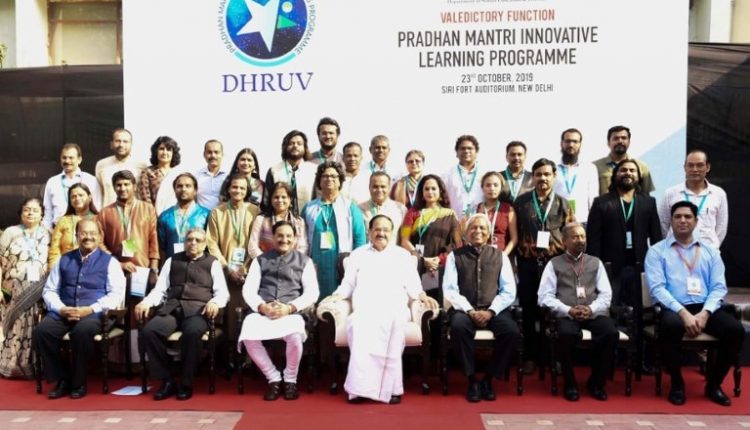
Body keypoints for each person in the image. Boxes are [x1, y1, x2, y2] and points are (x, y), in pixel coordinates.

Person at [324, 215, 439, 404]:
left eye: (386, 230)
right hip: (365, 309)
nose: (381, 233)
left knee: (393, 327)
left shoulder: (402, 256)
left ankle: (391, 389)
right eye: (377, 229)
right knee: (357, 325)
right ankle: (359, 390)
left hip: (394, 308)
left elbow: (414, 285)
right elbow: (348, 284)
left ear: (392, 233)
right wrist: (336, 296)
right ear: (369, 232)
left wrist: (422, 296)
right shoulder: (358, 254)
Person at [645, 201, 744, 406]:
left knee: (735, 330)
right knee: (670, 326)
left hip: (705, 307)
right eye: (677, 217)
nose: (682, 220)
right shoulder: (656, 251)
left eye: (688, 217)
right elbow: (657, 289)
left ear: (696, 221)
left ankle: (714, 385)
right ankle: (677, 383)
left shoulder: (710, 252)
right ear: (671, 221)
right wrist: (683, 313)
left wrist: (705, 313)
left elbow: (719, 288)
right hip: (674, 307)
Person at [33, 219, 125, 399]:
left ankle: (78, 383)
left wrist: (90, 309)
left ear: (100, 237)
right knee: (41, 332)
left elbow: (116, 295)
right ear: (76, 236)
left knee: (81, 332)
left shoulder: (110, 262)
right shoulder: (64, 259)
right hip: (64, 312)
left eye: (92, 233)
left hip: (94, 314)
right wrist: (61, 309)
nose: (88, 237)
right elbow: (49, 290)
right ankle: (62, 379)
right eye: (83, 233)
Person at [135, 228, 229, 401]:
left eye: (198, 240)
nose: (193, 243)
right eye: (190, 239)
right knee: (150, 331)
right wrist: (146, 302)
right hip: (172, 309)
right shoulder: (172, 260)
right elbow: (160, 290)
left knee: (192, 333)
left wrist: (215, 303)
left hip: (198, 311)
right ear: (185, 242)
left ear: (205, 244)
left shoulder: (212, 262)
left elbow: (222, 293)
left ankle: (186, 383)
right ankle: (167, 380)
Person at [587, 159, 662, 372]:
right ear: (615, 175)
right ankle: (609, 360)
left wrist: (656, 268)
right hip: (611, 269)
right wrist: (597, 270)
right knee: (610, 312)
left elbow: (656, 239)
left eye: (632, 170)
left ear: (639, 176)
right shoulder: (601, 202)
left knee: (639, 314)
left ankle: (637, 361)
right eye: (623, 170)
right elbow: (594, 241)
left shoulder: (648, 202)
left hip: (639, 269)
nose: (628, 173)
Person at [443, 213, 521, 402]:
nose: (477, 231)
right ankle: (472, 380)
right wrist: (470, 310)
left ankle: (488, 379)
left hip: (493, 309)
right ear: (466, 233)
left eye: (482, 228)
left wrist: (491, 311)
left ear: (489, 234)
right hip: (464, 310)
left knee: (511, 331)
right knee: (458, 327)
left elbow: (509, 291)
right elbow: (450, 290)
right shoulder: (455, 256)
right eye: (473, 228)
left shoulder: (500, 256)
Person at [239, 220, 319, 401]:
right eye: (280, 236)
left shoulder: (305, 261)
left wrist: (290, 307)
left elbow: (312, 292)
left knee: (295, 337)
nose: (284, 239)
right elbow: (248, 290)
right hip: (264, 311)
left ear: (295, 238)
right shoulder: (260, 260)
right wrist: (262, 307)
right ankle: (273, 378)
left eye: (288, 236)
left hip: (291, 311)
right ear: (273, 238)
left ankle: (290, 380)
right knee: (248, 334)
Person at [538, 223, 618, 401]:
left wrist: (591, 308)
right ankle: (570, 383)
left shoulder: (595, 263)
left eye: (583, 236)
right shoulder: (553, 264)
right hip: (567, 314)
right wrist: (567, 310)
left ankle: (596, 383)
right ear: (564, 241)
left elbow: (606, 295)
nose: (580, 240)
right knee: (565, 334)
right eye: (575, 237)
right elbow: (544, 297)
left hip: (593, 313)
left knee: (610, 332)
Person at [513, 158, 575, 375]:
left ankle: (553, 357)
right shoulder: (521, 202)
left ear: (554, 176)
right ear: (533, 177)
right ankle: (530, 357)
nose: (543, 178)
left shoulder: (563, 203)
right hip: (528, 264)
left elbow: (571, 234)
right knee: (529, 311)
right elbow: (515, 234)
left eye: (547, 174)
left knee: (553, 312)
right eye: (538, 174)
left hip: (554, 265)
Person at [206, 173, 260, 344]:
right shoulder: (217, 212)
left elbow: (258, 242)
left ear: (247, 191)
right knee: (229, 313)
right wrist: (228, 268)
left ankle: (248, 351)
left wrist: (244, 268)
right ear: (228, 189)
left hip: (249, 270)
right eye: (234, 187)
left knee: (248, 311)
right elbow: (211, 243)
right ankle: (230, 351)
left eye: (242, 188)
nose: (238, 191)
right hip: (225, 271)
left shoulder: (255, 211)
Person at [301, 161, 367, 299]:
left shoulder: (350, 207)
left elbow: (359, 237)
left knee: (337, 300)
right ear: (319, 181)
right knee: (314, 296)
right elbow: (301, 238)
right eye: (325, 176)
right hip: (316, 262)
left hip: (340, 264)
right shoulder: (309, 208)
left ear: (340, 180)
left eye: (333, 176)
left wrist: (355, 263)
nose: (329, 179)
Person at [0, 198, 50, 378]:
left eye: (35, 210)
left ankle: (32, 365)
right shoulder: (11, 232)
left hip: (39, 290)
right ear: (20, 213)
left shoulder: (48, 233)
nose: (30, 213)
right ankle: (11, 365)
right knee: (15, 326)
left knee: (34, 326)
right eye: (27, 210)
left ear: (42, 214)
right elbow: (1, 261)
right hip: (13, 289)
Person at [400, 174, 462, 299]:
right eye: (426, 189)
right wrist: (422, 259)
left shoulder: (450, 215)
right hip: (417, 265)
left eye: (434, 188)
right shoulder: (412, 213)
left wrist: (439, 259)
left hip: (441, 266)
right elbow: (404, 240)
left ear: (440, 191)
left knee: (439, 302)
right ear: (421, 193)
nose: (430, 192)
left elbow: (457, 244)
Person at [97, 170, 159, 284]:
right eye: (118, 185)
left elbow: (154, 240)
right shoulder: (104, 213)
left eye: (126, 184)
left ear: (134, 187)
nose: (122, 188)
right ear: (114, 188)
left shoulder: (148, 209)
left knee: (140, 296)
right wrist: (117, 263)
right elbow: (99, 243)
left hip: (143, 269)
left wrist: (153, 270)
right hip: (115, 270)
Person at [658, 150, 728, 250]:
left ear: (708, 167)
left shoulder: (718, 194)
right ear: (685, 168)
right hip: (676, 252)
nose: (695, 169)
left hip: (708, 252)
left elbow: (721, 227)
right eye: (690, 165)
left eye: (700, 165)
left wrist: (712, 248)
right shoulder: (670, 193)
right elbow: (663, 224)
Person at [42, 143, 101, 230]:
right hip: (58, 230)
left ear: (79, 160)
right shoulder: (52, 182)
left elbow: (97, 207)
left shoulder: (91, 180)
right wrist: (47, 232)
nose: (67, 161)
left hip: (85, 230)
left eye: (71, 158)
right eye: (64, 158)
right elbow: (48, 213)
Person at [261, 130, 317, 217]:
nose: (295, 146)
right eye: (291, 143)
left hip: (308, 219)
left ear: (305, 147)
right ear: (285, 147)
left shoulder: (313, 170)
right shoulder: (274, 170)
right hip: (280, 221)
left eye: (299, 143)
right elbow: (266, 201)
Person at [157, 173, 211, 261]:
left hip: (198, 265)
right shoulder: (165, 216)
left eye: (188, 186)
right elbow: (162, 247)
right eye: (179, 186)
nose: (183, 189)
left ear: (195, 190)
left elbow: (210, 245)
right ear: (174, 190)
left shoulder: (205, 214)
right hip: (172, 264)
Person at [248, 182, 308, 259]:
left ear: (290, 199)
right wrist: (266, 262)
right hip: (265, 264)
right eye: (276, 197)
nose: (280, 200)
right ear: (271, 199)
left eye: (283, 197)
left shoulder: (299, 222)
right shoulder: (261, 219)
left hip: (291, 265)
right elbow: (252, 247)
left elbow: (302, 247)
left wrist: (290, 262)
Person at [592, 125, 655, 196]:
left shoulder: (641, 166)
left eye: (624, 138)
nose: (620, 141)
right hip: (605, 203)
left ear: (629, 142)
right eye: (616, 138)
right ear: (608, 143)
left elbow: (646, 196)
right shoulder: (595, 167)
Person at [553, 129, 599, 223]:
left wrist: (594, 222)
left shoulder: (590, 168)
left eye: (575, 141)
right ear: (561, 143)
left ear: (580, 144)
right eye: (568, 141)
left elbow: (593, 198)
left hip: (583, 222)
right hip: (557, 222)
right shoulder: (553, 168)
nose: (571, 145)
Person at [48, 183, 99, 267]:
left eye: (81, 195)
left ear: (89, 197)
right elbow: (54, 250)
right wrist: (55, 270)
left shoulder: (99, 220)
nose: (77, 198)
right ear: (70, 202)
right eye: (73, 196)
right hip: (67, 267)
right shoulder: (63, 221)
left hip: (94, 267)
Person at [95, 128, 147, 207]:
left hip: (135, 212)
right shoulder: (101, 165)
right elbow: (99, 194)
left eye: (125, 141)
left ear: (131, 144)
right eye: (117, 141)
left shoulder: (142, 166)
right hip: (109, 212)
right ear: (111, 144)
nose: (121, 145)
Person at [442, 135, 485, 220]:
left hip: (480, 223)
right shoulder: (447, 176)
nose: (466, 151)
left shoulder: (485, 174)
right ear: (456, 152)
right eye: (462, 148)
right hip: (454, 222)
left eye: (470, 148)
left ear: (476, 152)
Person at [358, 172, 407, 245]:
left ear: (389, 187)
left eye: (383, 186)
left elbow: (405, 238)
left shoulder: (401, 209)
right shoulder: (359, 209)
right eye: (375, 186)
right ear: (369, 187)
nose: (379, 190)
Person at [475, 171, 517, 255]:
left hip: (501, 255)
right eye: (488, 185)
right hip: (479, 255)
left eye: (495, 185)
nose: (492, 188)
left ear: (501, 187)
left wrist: (504, 256)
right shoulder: (476, 209)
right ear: (482, 188)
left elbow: (514, 239)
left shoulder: (508, 209)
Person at [138, 136, 180, 211]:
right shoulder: (148, 172)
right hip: (154, 214)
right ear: (156, 151)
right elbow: (145, 198)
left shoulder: (179, 173)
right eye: (161, 149)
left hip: (176, 214)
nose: (165, 152)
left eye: (168, 150)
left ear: (173, 153)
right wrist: (154, 215)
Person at [194, 139, 228, 210]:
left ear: (222, 154)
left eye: (216, 152)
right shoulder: (197, 176)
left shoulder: (229, 176)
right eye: (209, 152)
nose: (213, 155)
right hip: (202, 216)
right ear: (204, 155)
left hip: (224, 215)